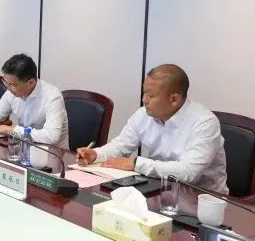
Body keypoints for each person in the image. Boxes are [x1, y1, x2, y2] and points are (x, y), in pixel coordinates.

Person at [75, 63, 227, 192]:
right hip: (158, 190)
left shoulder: (204, 123)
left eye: (151, 95)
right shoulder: (143, 114)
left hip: (200, 200)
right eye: (144, 92)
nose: (144, 99)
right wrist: (96, 154)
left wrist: (136, 164)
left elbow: (188, 172)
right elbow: (121, 146)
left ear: (174, 99)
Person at [0, 53, 69, 150]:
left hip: (53, 154)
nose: (8, 88)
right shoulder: (12, 92)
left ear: (31, 82)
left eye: (12, 85)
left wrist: (12, 131)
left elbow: (51, 136)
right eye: (5, 82)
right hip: (24, 150)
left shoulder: (52, 96)